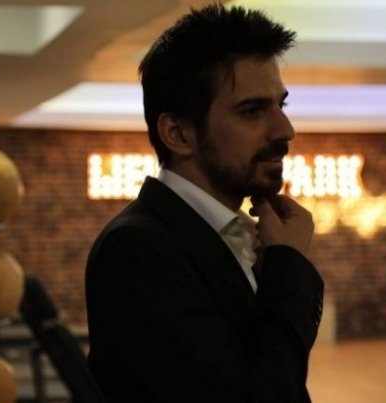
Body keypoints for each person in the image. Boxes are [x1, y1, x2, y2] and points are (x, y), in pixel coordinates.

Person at [85, 3, 324, 402]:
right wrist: (288, 266)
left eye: (280, 105)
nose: (285, 130)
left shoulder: (228, 235)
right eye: (252, 111)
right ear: (178, 134)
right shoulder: (136, 250)